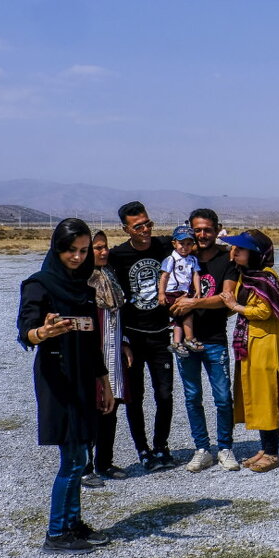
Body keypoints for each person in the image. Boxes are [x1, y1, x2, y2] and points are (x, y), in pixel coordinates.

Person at [17, 218, 115, 554]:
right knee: (73, 459)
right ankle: (56, 532)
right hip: (58, 378)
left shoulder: (86, 290)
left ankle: (73, 524)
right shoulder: (38, 285)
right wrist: (42, 333)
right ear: (57, 248)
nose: (77, 257)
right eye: (70, 250)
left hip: (85, 378)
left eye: (83, 250)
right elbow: (26, 330)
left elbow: (92, 342)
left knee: (80, 451)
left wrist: (104, 381)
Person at [168, 209, 241, 472]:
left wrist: (194, 302)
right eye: (197, 230)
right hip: (185, 339)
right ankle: (202, 449)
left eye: (207, 230)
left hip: (214, 338)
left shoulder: (227, 259)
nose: (201, 235)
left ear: (217, 229)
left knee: (222, 397)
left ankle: (225, 448)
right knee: (192, 396)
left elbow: (226, 296)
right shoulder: (181, 256)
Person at [107, 201, 177, 472]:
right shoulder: (118, 255)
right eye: (138, 226)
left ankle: (161, 446)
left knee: (165, 394)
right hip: (133, 340)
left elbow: (196, 248)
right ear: (126, 229)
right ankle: (143, 450)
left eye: (148, 223)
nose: (146, 229)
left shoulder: (164, 246)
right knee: (134, 397)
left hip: (161, 335)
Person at [219, 229, 279, 473]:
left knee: (267, 393)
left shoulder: (266, 277)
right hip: (250, 341)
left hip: (265, 343)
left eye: (241, 249)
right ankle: (264, 447)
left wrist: (235, 306)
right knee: (255, 394)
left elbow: (264, 312)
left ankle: (272, 452)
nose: (235, 252)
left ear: (256, 254)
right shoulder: (246, 275)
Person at [81, 230, 129, 486]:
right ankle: (85, 466)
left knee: (111, 407)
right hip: (91, 355)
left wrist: (125, 342)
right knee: (90, 408)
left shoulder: (111, 276)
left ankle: (105, 462)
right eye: (97, 248)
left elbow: (120, 316)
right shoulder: (82, 282)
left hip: (112, 352)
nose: (103, 252)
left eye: (105, 247)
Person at [159, 225, 203, 356]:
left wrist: (198, 290)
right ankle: (189, 338)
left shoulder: (192, 259)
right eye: (181, 243)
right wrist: (161, 293)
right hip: (172, 292)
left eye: (189, 244)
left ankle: (177, 342)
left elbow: (196, 274)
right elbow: (164, 276)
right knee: (187, 313)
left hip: (184, 292)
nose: (185, 247)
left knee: (180, 318)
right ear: (174, 243)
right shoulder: (171, 259)